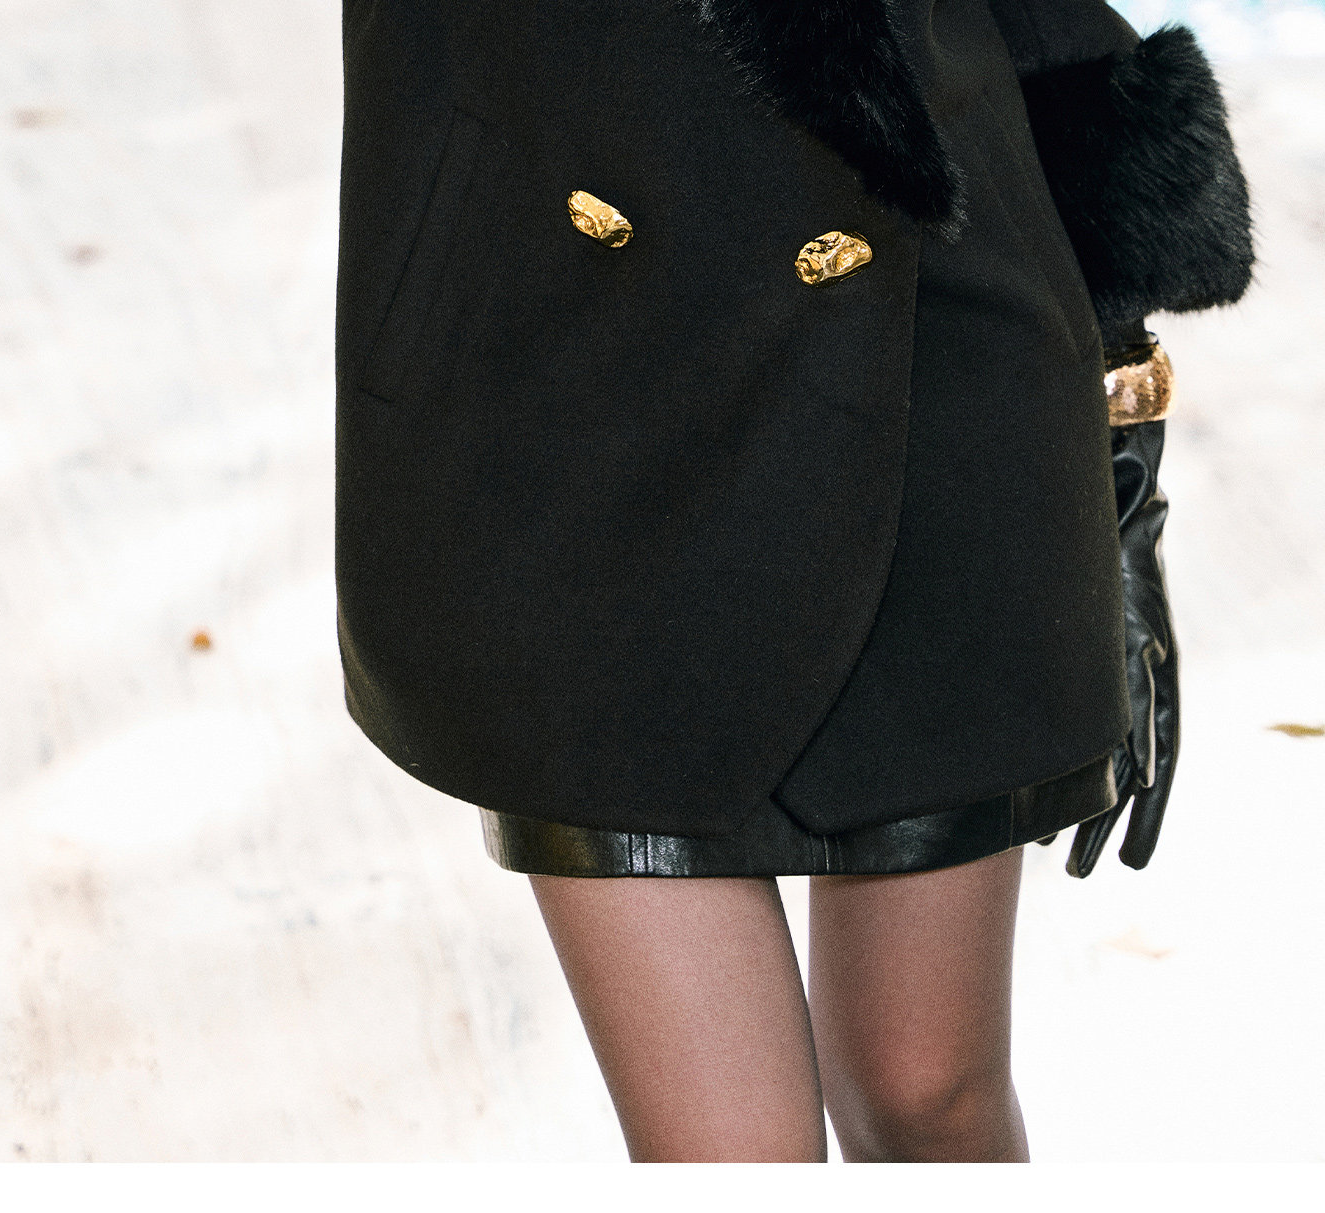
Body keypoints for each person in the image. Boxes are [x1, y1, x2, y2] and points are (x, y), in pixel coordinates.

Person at [333, 0, 1252, 1161]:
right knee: (729, 1151)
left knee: (927, 1096)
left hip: (933, 336)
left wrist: (1121, 455)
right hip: (566, 391)